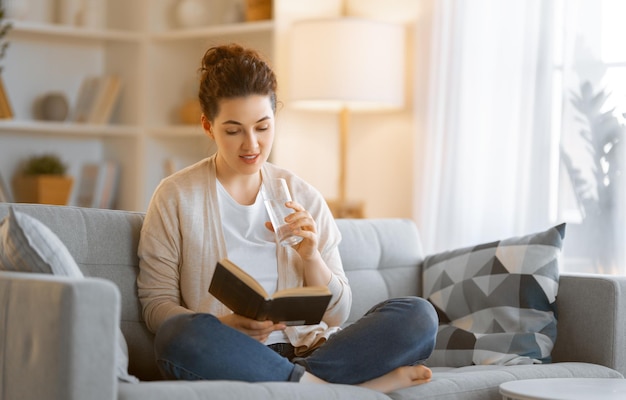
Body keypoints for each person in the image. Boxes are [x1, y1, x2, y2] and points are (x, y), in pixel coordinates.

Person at [137, 43, 438, 393]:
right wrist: (222, 325)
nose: (251, 144)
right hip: (234, 356)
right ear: (208, 125)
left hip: (317, 352)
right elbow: (156, 306)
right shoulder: (175, 196)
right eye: (234, 130)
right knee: (177, 337)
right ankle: (331, 391)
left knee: (418, 315)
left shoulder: (303, 195)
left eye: (262, 127)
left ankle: (301, 385)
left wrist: (311, 257)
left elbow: (338, 314)